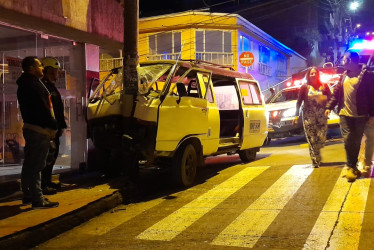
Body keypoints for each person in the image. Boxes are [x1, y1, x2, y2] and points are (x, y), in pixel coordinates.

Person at [17, 56, 59, 208]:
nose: (42, 68)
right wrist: (53, 126)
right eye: (40, 65)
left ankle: (28, 194)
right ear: (31, 68)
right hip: (38, 130)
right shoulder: (32, 86)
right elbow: (43, 109)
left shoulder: (26, 84)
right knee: (37, 165)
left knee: (29, 163)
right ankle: (38, 199)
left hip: (32, 128)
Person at [325, 51, 374, 182]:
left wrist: (372, 114)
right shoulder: (343, 75)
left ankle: (353, 166)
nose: (342, 62)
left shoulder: (367, 76)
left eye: (344, 59)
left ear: (351, 61)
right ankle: (351, 166)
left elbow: (372, 96)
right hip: (344, 113)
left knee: (356, 142)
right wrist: (328, 107)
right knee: (348, 141)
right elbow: (336, 94)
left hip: (360, 115)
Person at [294, 67, 331, 168]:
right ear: (308, 75)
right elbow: (299, 101)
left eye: (315, 73)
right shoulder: (305, 87)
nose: (313, 75)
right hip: (308, 116)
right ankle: (315, 159)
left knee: (321, 137)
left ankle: (317, 152)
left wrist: (328, 107)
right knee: (311, 138)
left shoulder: (324, 86)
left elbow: (330, 98)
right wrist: (296, 115)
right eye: (311, 73)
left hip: (321, 116)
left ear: (318, 75)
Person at [40, 57, 67, 194]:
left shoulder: (51, 87)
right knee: (46, 157)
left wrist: (61, 125)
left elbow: (57, 109)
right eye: (56, 70)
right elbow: (48, 110)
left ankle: (47, 181)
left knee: (52, 155)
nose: (58, 73)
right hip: (48, 129)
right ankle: (43, 185)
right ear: (49, 71)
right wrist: (55, 126)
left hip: (54, 129)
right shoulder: (44, 87)